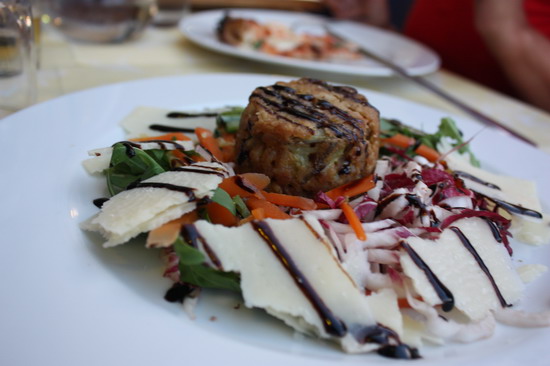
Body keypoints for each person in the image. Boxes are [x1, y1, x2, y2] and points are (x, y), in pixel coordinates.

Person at [325, 0, 550, 113]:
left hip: (507, 141)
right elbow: (427, 57)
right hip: (406, 103)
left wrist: (503, 25)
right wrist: (374, 29)